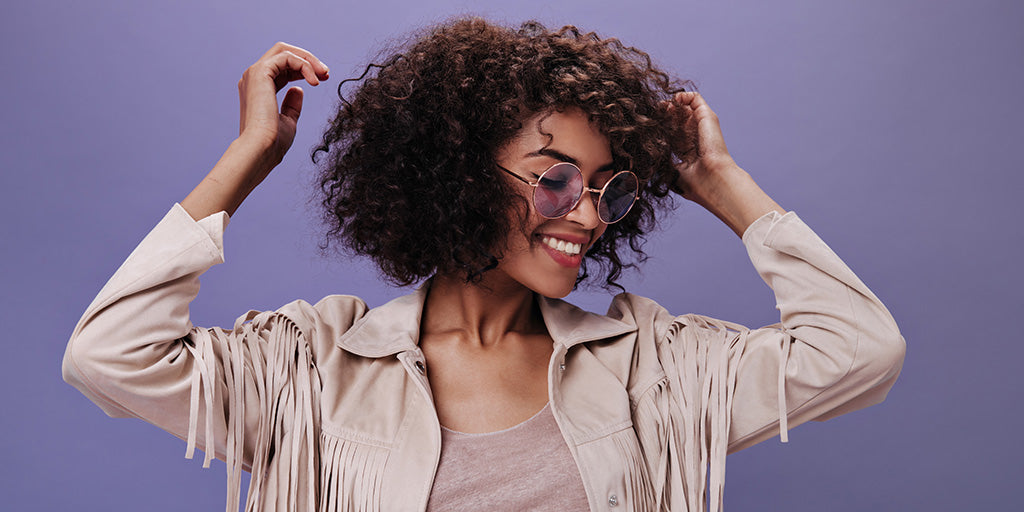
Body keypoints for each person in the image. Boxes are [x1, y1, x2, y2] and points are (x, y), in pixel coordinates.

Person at [62, 18, 905, 512]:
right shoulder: (312, 369)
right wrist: (248, 156)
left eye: (608, 188)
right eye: (554, 179)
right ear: (458, 173)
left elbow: (860, 350)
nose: (587, 212)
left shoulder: (652, 369)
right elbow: (108, 359)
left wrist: (723, 184)